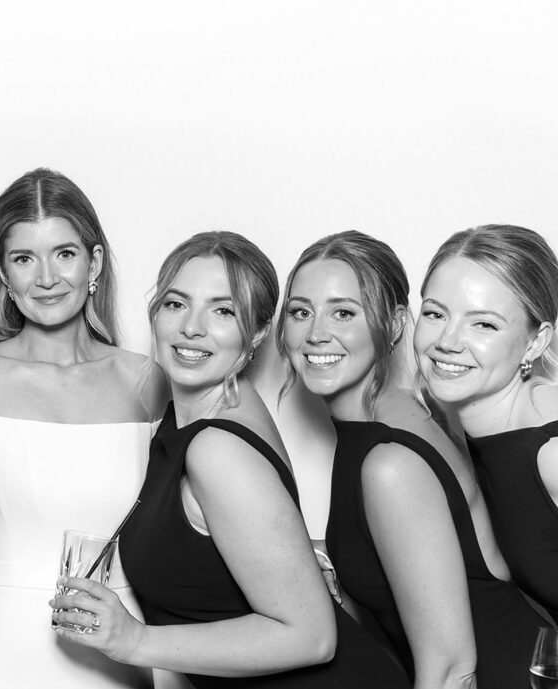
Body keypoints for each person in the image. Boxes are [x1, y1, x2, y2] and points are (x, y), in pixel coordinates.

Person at [52, 231, 409, 688]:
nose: (191, 328)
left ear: (258, 332)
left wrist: (134, 641)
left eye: (223, 310)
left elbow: (311, 637)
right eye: (176, 304)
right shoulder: (213, 409)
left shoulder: (216, 446)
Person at [0, 168, 167, 689]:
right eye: (23, 258)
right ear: (1, 272)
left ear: (94, 262)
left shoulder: (148, 383)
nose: (46, 278)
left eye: (64, 253)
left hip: (118, 649)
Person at [277, 230, 545, 688]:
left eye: (343, 312)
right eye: (301, 312)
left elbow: (452, 671)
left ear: (397, 323)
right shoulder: (402, 415)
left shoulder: (389, 460)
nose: (316, 333)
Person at [415, 224, 558, 622]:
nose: (448, 340)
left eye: (484, 324)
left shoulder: (551, 454)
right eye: (434, 313)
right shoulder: (448, 418)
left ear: (535, 342)